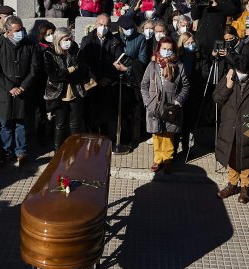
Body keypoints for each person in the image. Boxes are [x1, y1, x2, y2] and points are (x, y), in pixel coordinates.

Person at [0, 16, 38, 167]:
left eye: (21, 29)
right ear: (8, 32)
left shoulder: (29, 45)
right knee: (6, 124)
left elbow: (34, 69)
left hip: (23, 91)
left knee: (22, 123)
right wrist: (10, 87)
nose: (20, 32)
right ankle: (6, 151)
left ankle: (21, 152)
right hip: (4, 92)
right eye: (17, 30)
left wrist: (23, 86)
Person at [213, 54, 249, 203]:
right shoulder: (229, 77)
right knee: (231, 154)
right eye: (239, 71)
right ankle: (232, 184)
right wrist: (228, 86)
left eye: (244, 72)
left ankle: (245, 186)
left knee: (246, 155)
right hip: (230, 125)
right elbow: (217, 98)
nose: (241, 74)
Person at [140, 36, 189, 174]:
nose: (166, 51)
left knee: (168, 134)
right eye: (164, 49)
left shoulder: (179, 66)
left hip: (171, 105)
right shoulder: (152, 65)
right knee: (156, 133)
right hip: (154, 104)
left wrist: (178, 101)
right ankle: (157, 159)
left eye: (169, 49)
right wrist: (147, 102)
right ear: (159, 49)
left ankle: (167, 159)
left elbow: (185, 86)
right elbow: (144, 85)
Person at [80, 14, 124, 141]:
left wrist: (108, 77)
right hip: (93, 82)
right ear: (95, 24)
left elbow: (118, 61)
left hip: (109, 82)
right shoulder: (87, 40)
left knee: (107, 114)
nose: (103, 28)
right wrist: (98, 78)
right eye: (101, 25)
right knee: (91, 113)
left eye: (106, 25)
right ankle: (92, 138)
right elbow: (84, 62)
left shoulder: (115, 41)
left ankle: (105, 139)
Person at [43, 27, 87, 150]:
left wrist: (65, 73)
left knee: (75, 123)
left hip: (75, 90)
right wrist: (70, 70)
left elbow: (82, 71)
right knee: (60, 123)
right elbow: (54, 75)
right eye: (65, 39)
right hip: (58, 92)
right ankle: (58, 150)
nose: (68, 41)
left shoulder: (76, 51)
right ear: (58, 40)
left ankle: (75, 149)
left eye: (70, 39)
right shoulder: (49, 53)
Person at [114, 14, 149, 149]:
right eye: (125, 28)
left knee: (134, 110)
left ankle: (134, 138)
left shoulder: (140, 39)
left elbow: (142, 61)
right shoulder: (116, 38)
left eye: (131, 27)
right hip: (116, 80)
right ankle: (120, 137)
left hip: (133, 79)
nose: (129, 30)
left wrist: (127, 68)